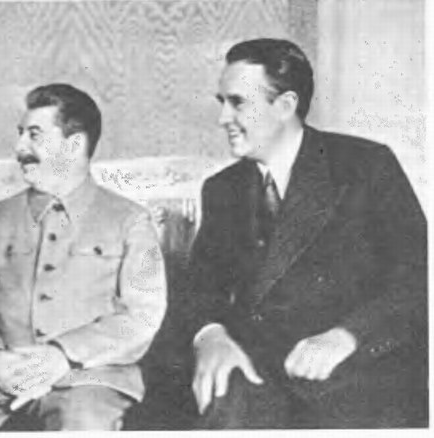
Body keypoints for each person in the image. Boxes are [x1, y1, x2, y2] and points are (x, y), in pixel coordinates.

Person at [0, 83, 168, 431]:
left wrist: (63, 354)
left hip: (87, 376)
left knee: (84, 426)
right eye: (20, 134)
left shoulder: (130, 221)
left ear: (74, 145)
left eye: (34, 135)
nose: (19, 147)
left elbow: (142, 315)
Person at [182, 38, 427, 428]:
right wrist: (210, 336)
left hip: (357, 375)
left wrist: (347, 336)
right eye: (221, 102)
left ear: (285, 105)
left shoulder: (365, 166)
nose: (223, 118)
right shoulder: (222, 188)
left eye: (237, 103)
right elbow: (199, 288)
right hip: (257, 378)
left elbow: (417, 278)